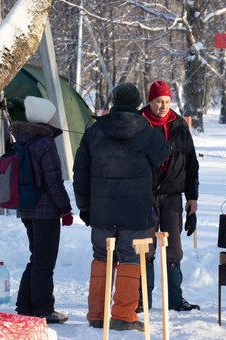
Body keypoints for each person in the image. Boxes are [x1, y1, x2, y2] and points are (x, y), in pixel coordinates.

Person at [73, 83, 170, 332]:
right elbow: (163, 154)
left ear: (113, 101)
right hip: (136, 212)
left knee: (101, 257)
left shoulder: (94, 131)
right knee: (130, 260)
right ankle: (123, 315)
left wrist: (85, 208)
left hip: (102, 212)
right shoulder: (145, 131)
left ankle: (96, 314)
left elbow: (80, 174)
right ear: (139, 104)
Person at [137, 80, 200, 312]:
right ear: (150, 101)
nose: (163, 106)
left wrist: (192, 197)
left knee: (174, 249)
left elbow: (191, 162)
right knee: (146, 248)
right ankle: (143, 299)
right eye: (158, 102)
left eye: (166, 101)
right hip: (146, 195)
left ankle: (175, 298)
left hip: (173, 195)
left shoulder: (179, 125)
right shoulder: (139, 124)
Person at [13, 96, 74, 324]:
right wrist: (65, 210)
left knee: (36, 258)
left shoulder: (22, 140)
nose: (54, 117)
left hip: (26, 208)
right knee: (44, 262)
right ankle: (43, 309)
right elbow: (53, 181)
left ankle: (25, 304)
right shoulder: (45, 143)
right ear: (44, 118)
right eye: (51, 114)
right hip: (45, 211)